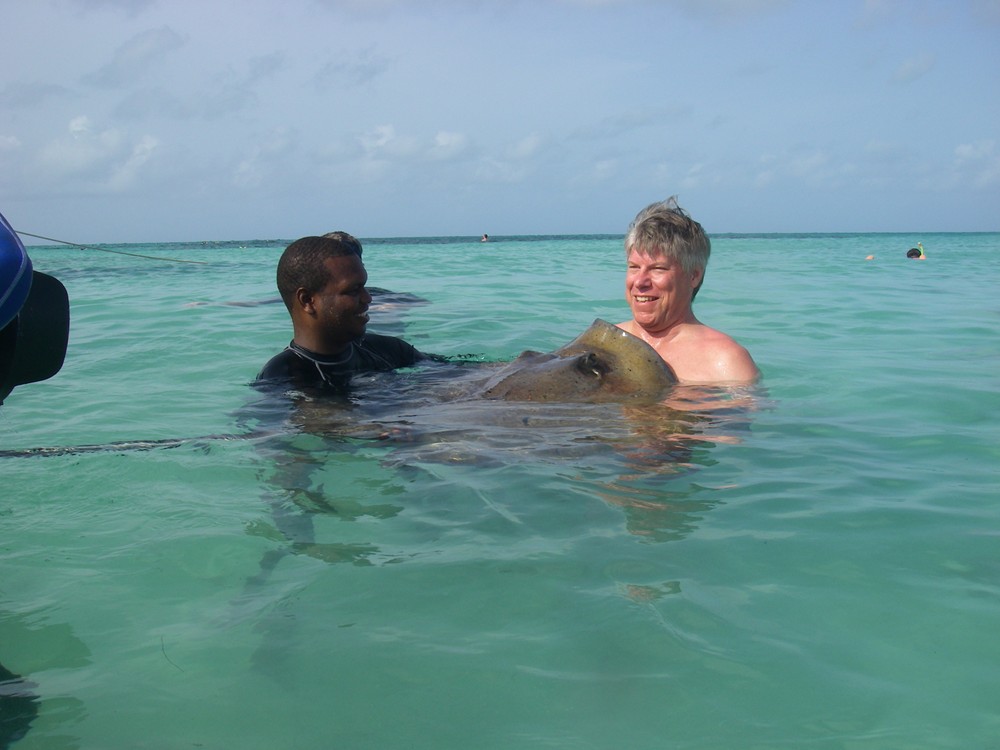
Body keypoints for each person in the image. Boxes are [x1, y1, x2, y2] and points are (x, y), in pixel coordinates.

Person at [255, 233, 426, 392]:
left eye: (364, 286)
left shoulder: (390, 350)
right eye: (353, 290)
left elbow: (448, 376)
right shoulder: (283, 377)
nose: (368, 298)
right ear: (307, 300)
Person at [616, 198, 759, 384]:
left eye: (658, 268)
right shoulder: (599, 344)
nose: (640, 281)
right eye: (634, 267)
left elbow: (745, 411)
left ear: (694, 276)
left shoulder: (725, 360)